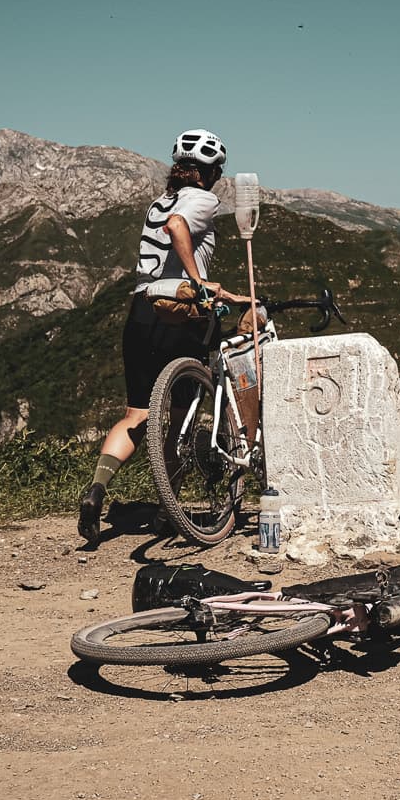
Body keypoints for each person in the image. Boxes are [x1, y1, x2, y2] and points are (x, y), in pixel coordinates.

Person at [78, 128, 254, 542]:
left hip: (142, 309)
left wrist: (214, 286)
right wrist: (199, 282)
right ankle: (167, 509)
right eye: (218, 170)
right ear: (209, 172)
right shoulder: (203, 200)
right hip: (181, 312)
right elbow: (178, 229)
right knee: (180, 416)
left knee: (136, 414)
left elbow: (166, 236)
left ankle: (98, 488)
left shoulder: (160, 201)